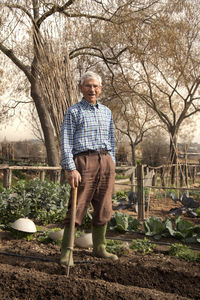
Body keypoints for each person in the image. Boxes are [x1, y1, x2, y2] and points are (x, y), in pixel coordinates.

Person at [60, 71, 118, 266]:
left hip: (105, 161)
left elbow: (111, 139)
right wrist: (70, 168)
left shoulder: (106, 112)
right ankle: (67, 252)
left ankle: (100, 247)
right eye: (88, 86)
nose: (92, 89)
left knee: (104, 206)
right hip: (83, 163)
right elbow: (66, 141)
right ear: (81, 88)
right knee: (77, 207)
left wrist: (112, 163)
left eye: (95, 86)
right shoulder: (74, 112)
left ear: (100, 89)